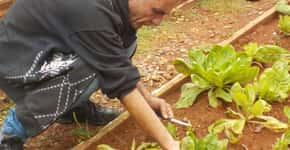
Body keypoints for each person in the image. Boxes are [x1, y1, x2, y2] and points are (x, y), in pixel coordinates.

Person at [0, 0, 181, 149]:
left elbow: (117, 58)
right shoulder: (91, 11)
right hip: (17, 59)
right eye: (156, 11)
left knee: (125, 46)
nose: (158, 21)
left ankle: (73, 110)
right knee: (91, 68)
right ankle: (11, 133)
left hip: (51, 44)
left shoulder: (119, 8)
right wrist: (170, 144)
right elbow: (122, 83)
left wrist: (148, 100)